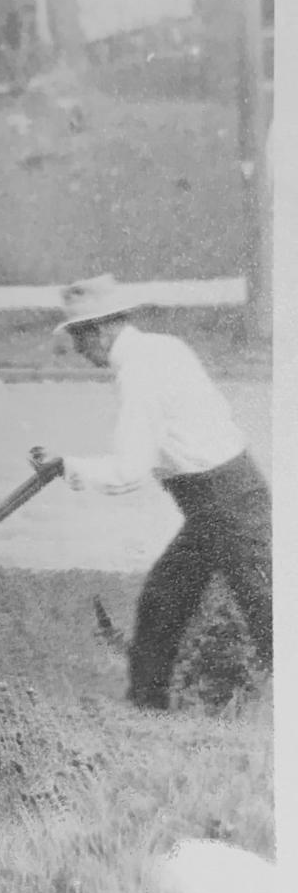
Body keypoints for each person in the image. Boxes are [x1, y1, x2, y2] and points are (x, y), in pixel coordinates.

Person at [47, 274, 271, 710]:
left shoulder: (138, 375)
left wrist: (68, 467)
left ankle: (151, 702)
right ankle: (147, 705)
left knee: (269, 612)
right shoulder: (165, 346)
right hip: (224, 495)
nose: (77, 349)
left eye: (78, 336)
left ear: (101, 329)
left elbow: (130, 471)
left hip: (224, 504)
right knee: (163, 599)